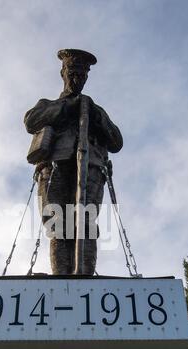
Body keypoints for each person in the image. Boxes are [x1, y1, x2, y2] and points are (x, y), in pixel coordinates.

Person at [24, 49, 123, 275]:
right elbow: (31, 122)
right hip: (54, 167)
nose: (77, 78)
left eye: (82, 74)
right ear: (63, 73)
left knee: (85, 223)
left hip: (91, 169)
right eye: (72, 72)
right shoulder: (47, 104)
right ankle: (62, 278)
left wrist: (96, 117)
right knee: (57, 224)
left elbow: (116, 142)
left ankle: (84, 276)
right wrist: (67, 108)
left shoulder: (96, 109)